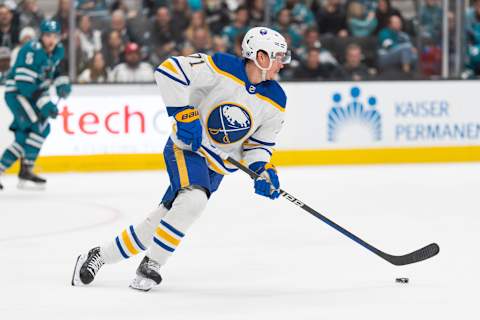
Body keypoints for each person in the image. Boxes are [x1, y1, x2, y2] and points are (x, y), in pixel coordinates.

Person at [72, 27, 290, 291]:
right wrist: (184, 114)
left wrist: (263, 170)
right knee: (194, 201)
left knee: (160, 220)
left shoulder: (277, 98)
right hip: (186, 149)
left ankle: (99, 255)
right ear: (260, 56)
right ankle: (152, 264)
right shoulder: (221, 66)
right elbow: (168, 70)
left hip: (216, 166)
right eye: (278, 56)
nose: (283, 62)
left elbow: (259, 144)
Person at [0, 20, 71, 190]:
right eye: (48, 36)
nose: (51, 40)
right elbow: (24, 84)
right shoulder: (31, 50)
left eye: (55, 36)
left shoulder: (58, 51)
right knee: (31, 130)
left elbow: (56, 73)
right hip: (18, 94)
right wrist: (45, 105)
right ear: (42, 36)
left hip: (35, 94)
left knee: (42, 129)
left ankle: (26, 169)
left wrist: (63, 85)